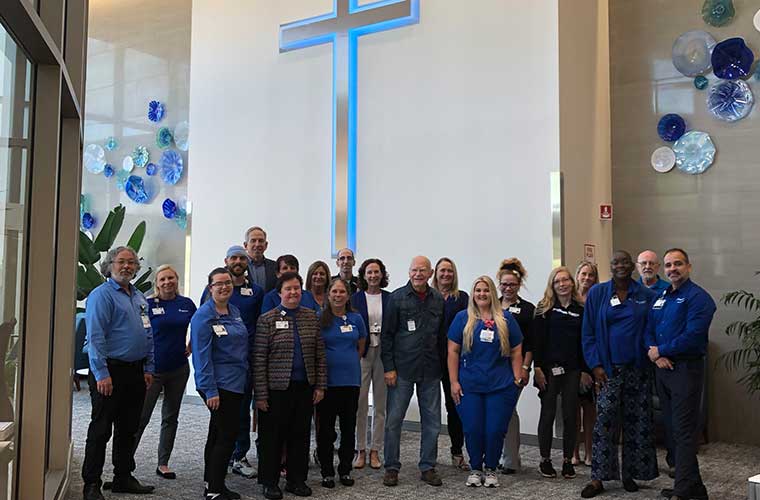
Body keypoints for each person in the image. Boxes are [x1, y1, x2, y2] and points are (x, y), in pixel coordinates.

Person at [580, 251, 659, 498]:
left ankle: (629, 474)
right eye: (616, 262)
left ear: (633, 266)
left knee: (637, 423)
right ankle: (598, 478)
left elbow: (652, 330)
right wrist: (595, 366)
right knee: (604, 423)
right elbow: (588, 333)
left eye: (625, 262)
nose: (621, 266)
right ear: (610, 266)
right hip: (608, 371)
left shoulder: (646, 295)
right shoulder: (597, 293)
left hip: (638, 370)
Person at [82, 246, 155, 500]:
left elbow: (148, 333)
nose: (127, 266)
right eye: (121, 261)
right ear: (109, 265)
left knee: (128, 428)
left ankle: (123, 477)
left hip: (136, 371)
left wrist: (148, 367)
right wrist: (101, 373)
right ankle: (91, 484)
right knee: (101, 429)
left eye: (132, 262)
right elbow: (96, 337)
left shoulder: (139, 297)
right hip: (109, 371)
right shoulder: (101, 295)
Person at [646, 249, 715, 500]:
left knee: (684, 431)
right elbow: (649, 328)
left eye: (677, 264)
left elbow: (693, 336)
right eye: (668, 265)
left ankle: (684, 489)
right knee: (673, 429)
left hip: (685, 370)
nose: (672, 269)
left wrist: (662, 350)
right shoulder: (663, 295)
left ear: (689, 266)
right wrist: (656, 353)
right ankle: (695, 488)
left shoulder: (700, 298)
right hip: (663, 370)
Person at [254, 272, 327, 500]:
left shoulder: (311, 317)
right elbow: (258, 359)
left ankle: (297, 480)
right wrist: (261, 395)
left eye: (297, 288)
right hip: (276, 390)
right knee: (272, 438)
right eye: (288, 289)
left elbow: (320, 355)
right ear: (280, 293)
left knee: (300, 436)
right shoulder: (267, 319)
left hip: (304, 387)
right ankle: (270, 482)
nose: (294, 292)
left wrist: (320, 386)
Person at [448, 276, 524, 488]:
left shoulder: (506, 319)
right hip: (469, 385)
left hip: (500, 386)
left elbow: (517, 349)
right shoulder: (462, 318)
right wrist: (454, 382)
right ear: (473, 294)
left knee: (495, 429)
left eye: (486, 290)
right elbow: (452, 351)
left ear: (492, 293)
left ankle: (490, 468)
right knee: (473, 429)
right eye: (478, 290)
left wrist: (517, 376)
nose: (482, 294)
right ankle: (475, 468)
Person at [381, 256, 447, 487]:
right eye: (414, 270)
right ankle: (391, 466)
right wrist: (388, 368)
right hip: (402, 370)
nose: (418, 274)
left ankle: (427, 467)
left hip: (431, 369)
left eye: (422, 270)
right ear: (409, 273)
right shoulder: (397, 298)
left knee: (432, 423)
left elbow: (442, 337)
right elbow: (387, 336)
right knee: (394, 421)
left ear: (430, 274)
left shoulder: (438, 299)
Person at [201, 245, 265, 479]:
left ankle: (238, 456)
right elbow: (203, 330)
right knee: (222, 423)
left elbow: (260, 325)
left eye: (242, 257)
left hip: (245, 364)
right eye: (234, 257)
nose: (238, 261)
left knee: (241, 412)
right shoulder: (210, 300)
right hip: (220, 371)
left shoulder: (254, 293)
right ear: (226, 260)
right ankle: (218, 469)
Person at [192, 267, 250, 500]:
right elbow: (201, 356)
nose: (224, 287)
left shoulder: (233, 310)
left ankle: (212, 482)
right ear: (210, 288)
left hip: (236, 382)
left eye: (227, 283)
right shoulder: (203, 316)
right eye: (219, 284)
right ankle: (215, 491)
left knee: (216, 434)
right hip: (218, 385)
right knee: (226, 436)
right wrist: (210, 390)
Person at [133, 265, 196, 480]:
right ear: (157, 283)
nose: (167, 282)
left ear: (177, 280)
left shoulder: (186, 304)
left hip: (179, 369)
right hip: (153, 371)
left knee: (171, 418)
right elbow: (139, 333)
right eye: (162, 279)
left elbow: (200, 326)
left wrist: (191, 344)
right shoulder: (147, 304)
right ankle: (124, 463)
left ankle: (163, 463)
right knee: (141, 417)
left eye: (171, 278)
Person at [532, 266, 585, 480]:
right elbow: (537, 342)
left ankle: (567, 461)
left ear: (572, 283)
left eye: (565, 280)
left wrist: (585, 370)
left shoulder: (581, 309)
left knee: (571, 415)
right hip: (548, 369)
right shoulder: (544, 309)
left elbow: (585, 341)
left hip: (573, 369)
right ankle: (545, 460)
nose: (562, 284)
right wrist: (537, 368)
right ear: (552, 286)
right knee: (548, 414)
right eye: (557, 281)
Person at [316, 278, 367, 488]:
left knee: (348, 429)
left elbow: (361, 344)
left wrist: (350, 360)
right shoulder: (320, 318)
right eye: (334, 292)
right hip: (327, 383)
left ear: (348, 295)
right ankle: (327, 471)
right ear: (329, 295)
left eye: (342, 292)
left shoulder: (356, 318)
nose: (338, 295)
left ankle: (345, 470)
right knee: (326, 430)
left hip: (351, 382)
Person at [496, 258, 535, 475]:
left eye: (512, 284)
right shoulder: (492, 306)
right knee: (497, 411)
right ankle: (500, 455)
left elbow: (530, 343)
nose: (508, 288)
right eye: (504, 284)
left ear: (519, 285)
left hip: (516, 367)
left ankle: (510, 460)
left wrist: (526, 368)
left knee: (508, 410)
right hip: (494, 368)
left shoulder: (528, 309)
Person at [431, 257, 470, 470]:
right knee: (430, 408)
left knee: (454, 406)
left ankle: (457, 452)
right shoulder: (427, 297)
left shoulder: (462, 298)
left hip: (453, 360)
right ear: (435, 273)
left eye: (449, 271)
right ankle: (428, 455)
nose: (446, 274)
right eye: (442, 271)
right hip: (429, 359)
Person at [351, 258, 390, 470]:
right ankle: (361, 450)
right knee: (360, 404)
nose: (373, 276)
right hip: (362, 353)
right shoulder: (355, 298)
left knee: (381, 406)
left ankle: (375, 450)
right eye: (369, 272)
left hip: (384, 353)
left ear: (382, 275)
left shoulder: (390, 298)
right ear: (364, 275)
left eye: (377, 272)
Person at [573, 261, 599, 467]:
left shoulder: (599, 299)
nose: (587, 278)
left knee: (590, 411)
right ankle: (574, 453)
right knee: (573, 411)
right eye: (583, 274)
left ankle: (590, 452)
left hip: (592, 360)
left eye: (591, 275)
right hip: (572, 361)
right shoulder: (570, 300)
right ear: (577, 275)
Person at [244, 226, 278, 292]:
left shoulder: (275, 267)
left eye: (261, 241)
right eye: (253, 241)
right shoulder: (237, 267)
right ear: (245, 245)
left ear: (266, 245)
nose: (257, 244)